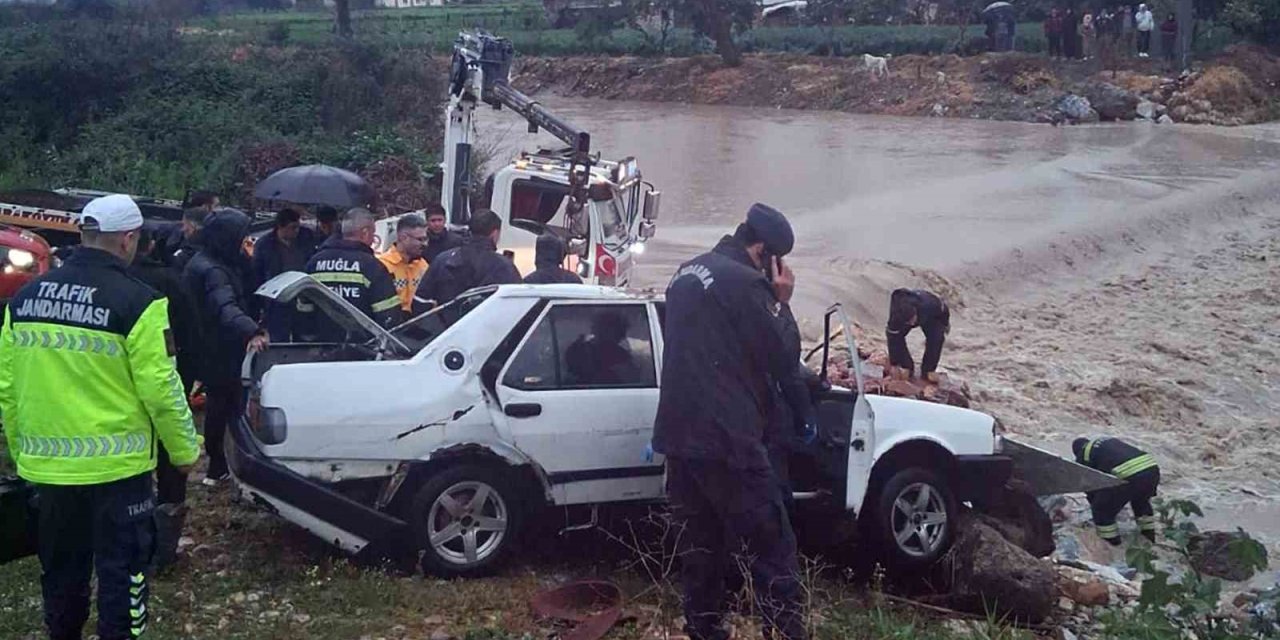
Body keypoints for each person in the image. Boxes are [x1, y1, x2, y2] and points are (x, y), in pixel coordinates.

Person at [0, 194, 202, 640]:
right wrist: (185, 451)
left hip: (50, 472)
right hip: (118, 471)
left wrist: (23, 451)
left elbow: (7, 389)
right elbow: (162, 389)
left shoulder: (25, 299)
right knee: (123, 575)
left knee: (62, 570)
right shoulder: (140, 302)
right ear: (129, 239)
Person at [652, 203, 807, 640]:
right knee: (773, 546)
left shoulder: (685, 272)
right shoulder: (746, 282)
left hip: (678, 438)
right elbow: (783, 356)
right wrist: (783, 302)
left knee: (702, 545)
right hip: (729, 441)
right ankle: (785, 633)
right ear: (763, 251)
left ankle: (703, 631)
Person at [128, 224, 205, 571]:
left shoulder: (112, 283)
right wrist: (190, 378)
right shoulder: (170, 281)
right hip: (169, 378)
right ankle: (164, 547)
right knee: (172, 465)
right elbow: (192, 330)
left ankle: (131, 535)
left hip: (119, 393)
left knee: (132, 467)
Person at [184, 209, 269, 486]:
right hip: (219, 348)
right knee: (225, 408)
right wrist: (253, 331)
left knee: (222, 406)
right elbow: (225, 307)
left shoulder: (210, 262)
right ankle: (219, 466)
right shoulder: (213, 270)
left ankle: (221, 465)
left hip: (209, 344)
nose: (244, 243)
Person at [305, 207, 404, 329]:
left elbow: (305, 306)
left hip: (322, 344)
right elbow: (388, 314)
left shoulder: (314, 262)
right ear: (365, 232)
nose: (373, 239)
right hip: (362, 344)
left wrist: (308, 338)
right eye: (373, 233)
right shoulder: (371, 265)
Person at [416, 209, 522, 306]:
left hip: (449, 326)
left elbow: (420, 302)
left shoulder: (442, 260)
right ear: (495, 233)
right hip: (490, 325)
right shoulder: (505, 267)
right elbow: (518, 305)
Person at [1072, 437, 1160, 545]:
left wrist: (1098, 503)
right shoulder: (1105, 442)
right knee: (1141, 502)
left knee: (1101, 510)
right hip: (1151, 468)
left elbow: (1090, 486)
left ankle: (1112, 543)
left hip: (1128, 474)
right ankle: (1149, 537)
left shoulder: (1083, 454)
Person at [252, 206, 319, 341]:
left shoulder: (306, 238)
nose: (296, 231)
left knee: (304, 336)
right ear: (280, 227)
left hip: (302, 295)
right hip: (276, 297)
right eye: (292, 227)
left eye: (298, 227)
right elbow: (257, 273)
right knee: (278, 335)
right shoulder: (265, 245)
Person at [885, 288, 950, 383]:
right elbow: (892, 338)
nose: (912, 323)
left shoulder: (929, 304)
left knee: (937, 338)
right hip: (904, 319)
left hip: (930, 317)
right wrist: (895, 363)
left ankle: (928, 369)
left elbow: (944, 311)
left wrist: (945, 324)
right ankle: (907, 366)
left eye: (912, 319)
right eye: (909, 322)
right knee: (896, 336)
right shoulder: (896, 318)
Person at [376, 213, 430, 315]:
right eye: (420, 239)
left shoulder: (423, 265)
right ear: (403, 237)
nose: (425, 244)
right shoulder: (382, 265)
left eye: (426, 239)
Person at [167, 206, 209, 272]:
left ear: (194, 226)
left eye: (184, 224)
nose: (182, 229)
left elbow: (175, 269)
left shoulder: (191, 250)